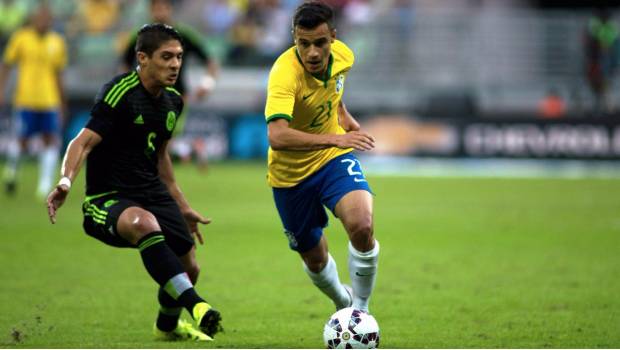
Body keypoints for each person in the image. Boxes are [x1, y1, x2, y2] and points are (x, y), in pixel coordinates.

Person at [46, 23, 222, 342]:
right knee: (144, 223)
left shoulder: (173, 101)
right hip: (108, 197)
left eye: (179, 57)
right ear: (142, 57)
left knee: (189, 268)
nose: (175, 65)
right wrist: (65, 182)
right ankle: (198, 307)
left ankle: (166, 327)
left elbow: (162, 160)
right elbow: (82, 142)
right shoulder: (120, 92)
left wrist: (182, 207)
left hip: (152, 191)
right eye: (166, 57)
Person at [264, 1, 379, 313]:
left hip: (331, 159)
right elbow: (277, 135)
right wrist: (337, 137)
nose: (312, 53)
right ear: (294, 39)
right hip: (290, 177)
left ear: (333, 37)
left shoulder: (343, 56)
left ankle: (361, 311)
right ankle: (343, 303)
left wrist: (344, 116)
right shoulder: (284, 75)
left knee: (362, 226)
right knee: (315, 259)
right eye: (303, 44)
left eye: (319, 43)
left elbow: (334, 92)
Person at [122, 0, 218, 168]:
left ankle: (185, 154)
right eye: (156, 8)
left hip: (177, 94)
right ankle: (191, 149)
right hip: (147, 94)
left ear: (170, 9)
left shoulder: (183, 34)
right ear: (150, 10)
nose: (160, 12)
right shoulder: (140, 36)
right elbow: (125, 62)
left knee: (165, 138)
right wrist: (127, 87)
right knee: (155, 140)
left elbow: (210, 61)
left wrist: (207, 84)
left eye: (163, 7)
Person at [0, 4, 67, 198]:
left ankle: (44, 185)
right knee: (22, 140)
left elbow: (59, 74)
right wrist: (2, 91)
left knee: (50, 139)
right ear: (34, 19)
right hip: (25, 99)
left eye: (47, 19)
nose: (44, 22)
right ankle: (11, 172)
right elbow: (7, 65)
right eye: (41, 18)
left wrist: (62, 101)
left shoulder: (57, 42)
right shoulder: (21, 38)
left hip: (49, 100)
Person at [584, 7, 619, 115]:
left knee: (605, 82)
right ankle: (600, 102)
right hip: (597, 61)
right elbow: (594, 41)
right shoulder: (595, 25)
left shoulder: (610, 27)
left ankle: (605, 102)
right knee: (598, 84)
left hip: (604, 61)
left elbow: (610, 43)